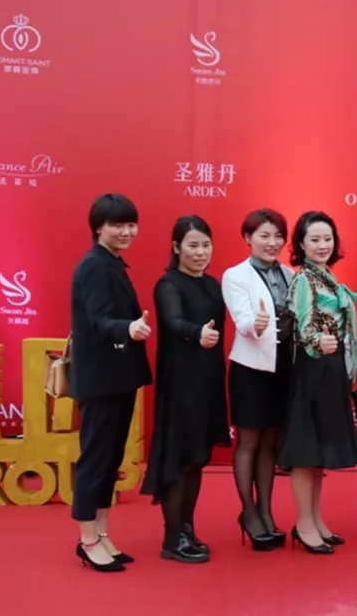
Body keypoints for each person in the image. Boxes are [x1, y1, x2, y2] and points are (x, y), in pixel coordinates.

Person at [68, 194, 153, 572]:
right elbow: (100, 320)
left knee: (110, 460)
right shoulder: (94, 266)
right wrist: (128, 329)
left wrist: (127, 329)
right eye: (117, 225)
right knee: (95, 460)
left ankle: (102, 534)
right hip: (101, 381)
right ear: (98, 227)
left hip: (117, 379)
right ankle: (87, 540)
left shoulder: (112, 263)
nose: (126, 231)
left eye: (131, 224)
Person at [141, 215, 230, 563]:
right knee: (179, 459)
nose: (200, 252)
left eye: (206, 245)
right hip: (181, 384)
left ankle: (186, 530)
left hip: (208, 381)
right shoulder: (168, 285)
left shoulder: (212, 284)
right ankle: (171, 538)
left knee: (197, 459)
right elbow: (174, 322)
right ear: (177, 247)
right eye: (193, 245)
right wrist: (197, 333)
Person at [281, 211, 357, 554]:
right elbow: (303, 326)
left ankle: (315, 518)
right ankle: (303, 523)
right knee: (305, 451)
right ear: (301, 244)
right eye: (314, 239)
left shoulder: (327, 277)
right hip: (311, 369)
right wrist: (319, 341)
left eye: (327, 239)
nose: (322, 245)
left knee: (318, 452)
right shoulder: (303, 280)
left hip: (331, 368)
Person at [221, 208, 293, 550]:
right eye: (264, 235)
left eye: (278, 236)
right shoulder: (235, 275)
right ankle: (248, 512)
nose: (272, 242)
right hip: (250, 369)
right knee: (248, 442)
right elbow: (242, 319)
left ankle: (266, 510)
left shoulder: (291, 275)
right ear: (248, 238)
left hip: (282, 369)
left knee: (270, 443)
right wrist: (256, 324)